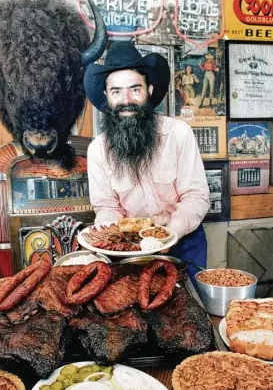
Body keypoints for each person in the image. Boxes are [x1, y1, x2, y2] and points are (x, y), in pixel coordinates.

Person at [84, 41, 210, 283]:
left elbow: (196, 196)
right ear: (106, 96)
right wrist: (115, 238)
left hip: (184, 241)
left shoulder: (179, 133)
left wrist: (170, 233)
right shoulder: (97, 150)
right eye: (116, 91)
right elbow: (106, 207)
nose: (126, 100)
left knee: (191, 311)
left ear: (149, 90)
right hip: (131, 249)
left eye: (135, 89)